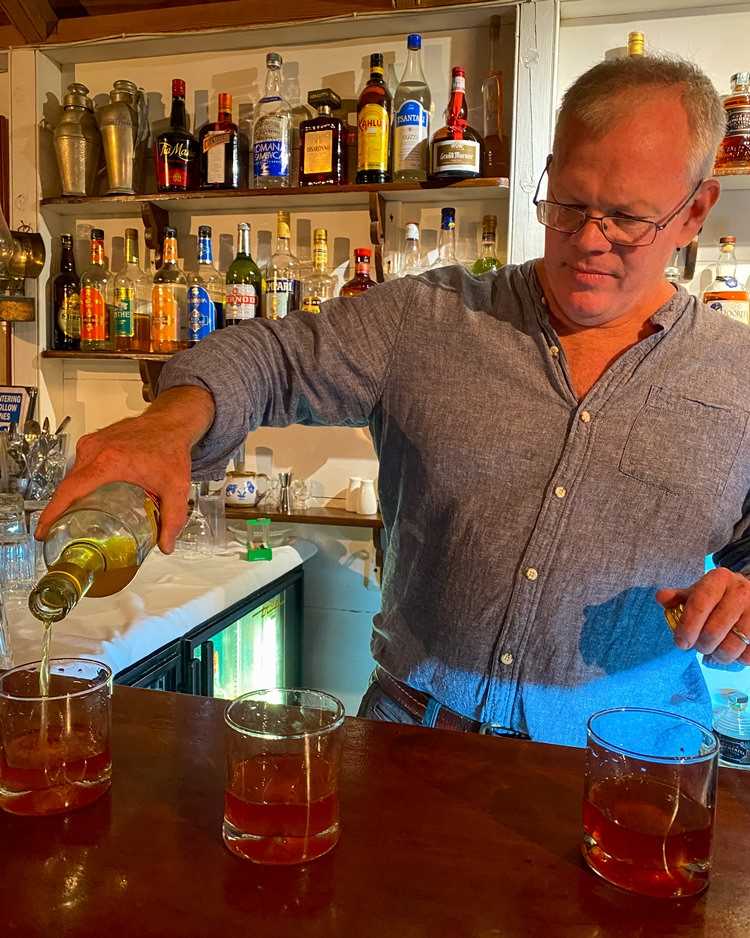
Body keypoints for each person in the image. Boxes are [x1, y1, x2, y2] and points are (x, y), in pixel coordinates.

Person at [38, 54, 750, 747]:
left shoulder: (738, 376)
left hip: (636, 761)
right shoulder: (429, 318)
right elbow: (270, 355)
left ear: (695, 213)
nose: (589, 242)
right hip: (416, 742)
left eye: (628, 218)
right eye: (568, 206)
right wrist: (168, 421)